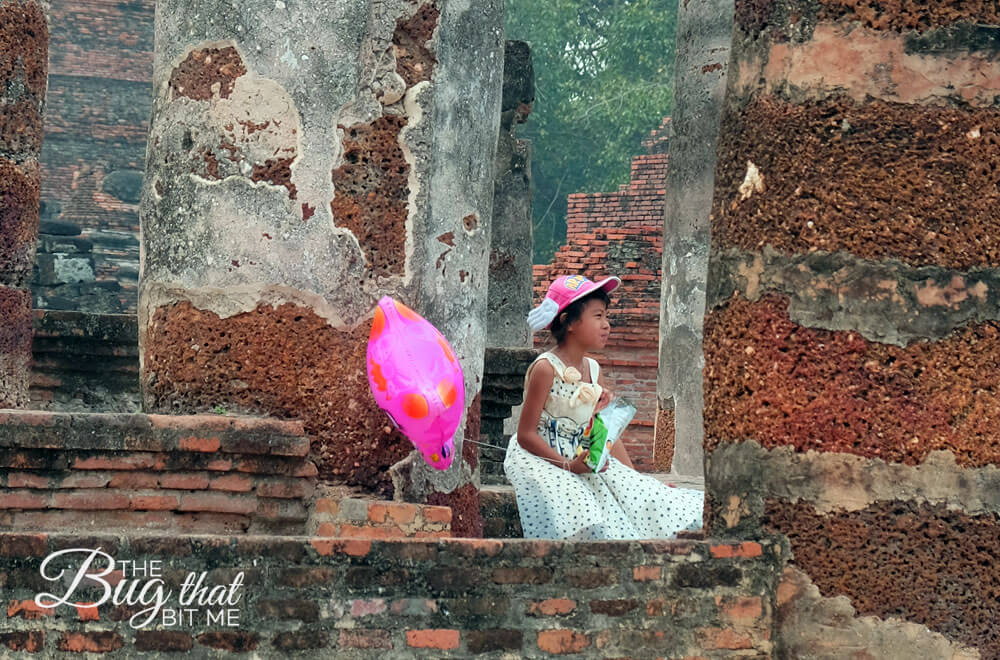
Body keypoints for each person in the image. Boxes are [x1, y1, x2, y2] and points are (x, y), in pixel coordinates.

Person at [503, 274, 704, 540]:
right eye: (598, 316)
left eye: (606, 317)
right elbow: (526, 434)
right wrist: (567, 466)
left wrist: (638, 480)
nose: (606, 325)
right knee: (580, 503)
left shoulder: (593, 370)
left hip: (583, 458)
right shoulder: (546, 367)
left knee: (646, 496)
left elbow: (606, 433)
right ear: (569, 322)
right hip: (543, 458)